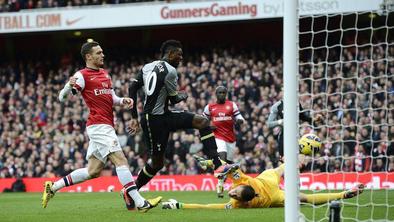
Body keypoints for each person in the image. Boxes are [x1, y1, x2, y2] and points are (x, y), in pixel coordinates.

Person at [41, 40, 162, 212]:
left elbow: (111, 98)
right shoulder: (82, 75)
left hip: (105, 125)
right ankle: (141, 203)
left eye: (102, 52)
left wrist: (122, 101)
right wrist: (68, 86)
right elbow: (62, 98)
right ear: (88, 56)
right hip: (99, 126)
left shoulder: (105, 74)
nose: (102, 55)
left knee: (93, 171)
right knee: (120, 160)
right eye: (98, 53)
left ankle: (52, 187)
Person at [125, 40, 223, 206]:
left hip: (163, 115)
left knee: (203, 121)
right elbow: (174, 99)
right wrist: (183, 95)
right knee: (157, 163)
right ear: (170, 54)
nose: (181, 58)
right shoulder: (171, 71)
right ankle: (130, 192)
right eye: (179, 54)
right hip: (153, 120)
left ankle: (217, 164)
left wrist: (133, 116)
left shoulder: (147, 67)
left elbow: (132, 88)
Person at [162, 161, 365, 210]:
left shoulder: (239, 199)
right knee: (299, 195)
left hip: (269, 188)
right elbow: (230, 167)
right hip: (269, 187)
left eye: (233, 192)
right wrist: (214, 166)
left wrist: (180, 205)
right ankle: (344, 193)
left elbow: (207, 207)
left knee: (299, 193)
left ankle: (296, 161)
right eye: (233, 191)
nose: (231, 192)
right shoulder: (242, 185)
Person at [203, 85, 245, 198]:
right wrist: (208, 127)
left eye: (223, 93)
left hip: (231, 139)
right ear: (216, 94)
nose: (221, 94)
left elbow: (239, 117)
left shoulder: (231, 105)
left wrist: (240, 121)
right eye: (219, 93)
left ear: (226, 94)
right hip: (217, 137)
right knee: (222, 157)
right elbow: (202, 121)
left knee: (228, 164)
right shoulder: (210, 107)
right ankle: (220, 184)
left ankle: (222, 183)